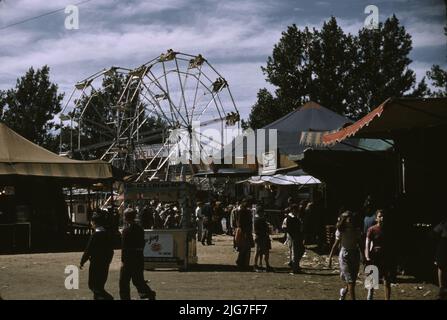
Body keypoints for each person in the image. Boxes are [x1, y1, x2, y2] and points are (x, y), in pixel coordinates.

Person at [119, 208, 156, 300]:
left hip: (129, 258)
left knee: (123, 282)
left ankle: (125, 298)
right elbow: (142, 243)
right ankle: (149, 293)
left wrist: (123, 260)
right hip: (138, 257)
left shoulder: (126, 231)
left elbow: (124, 247)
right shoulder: (139, 229)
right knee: (138, 280)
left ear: (125, 217)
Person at [80, 212, 114, 300]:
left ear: (94, 223)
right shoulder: (107, 234)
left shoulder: (95, 235)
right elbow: (111, 250)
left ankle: (108, 298)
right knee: (100, 284)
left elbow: (88, 250)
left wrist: (82, 261)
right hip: (105, 263)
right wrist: (108, 261)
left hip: (95, 263)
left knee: (93, 285)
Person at [328, 211, 361, 300]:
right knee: (350, 281)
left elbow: (360, 243)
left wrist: (364, 256)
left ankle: (343, 292)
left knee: (352, 281)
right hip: (345, 255)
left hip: (354, 254)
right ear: (344, 219)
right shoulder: (341, 230)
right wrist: (330, 257)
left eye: (350, 217)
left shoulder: (356, 230)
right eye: (347, 218)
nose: (349, 219)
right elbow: (336, 244)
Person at [365, 209, 395, 300]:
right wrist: (367, 255)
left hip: (386, 256)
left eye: (383, 216)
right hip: (375, 256)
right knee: (373, 278)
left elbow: (391, 244)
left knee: (387, 279)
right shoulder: (372, 229)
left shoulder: (388, 229)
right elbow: (368, 243)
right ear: (376, 218)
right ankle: (370, 295)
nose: (382, 218)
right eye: (380, 216)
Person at [284, 204, 305, 274]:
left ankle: (295, 264)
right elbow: (289, 229)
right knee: (296, 252)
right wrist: (294, 236)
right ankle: (295, 267)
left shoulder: (295, 217)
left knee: (300, 250)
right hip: (294, 236)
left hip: (297, 236)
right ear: (293, 210)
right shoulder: (290, 218)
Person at [235, 199, 254, 270]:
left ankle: (242, 262)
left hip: (244, 231)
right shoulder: (244, 212)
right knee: (245, 248)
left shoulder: (242, 212)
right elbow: (241, 223)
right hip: (245, 231)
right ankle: (244, 263)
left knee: (243, 248)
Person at [253, 206, 273, 272]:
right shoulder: (259, 219)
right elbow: (261, 229)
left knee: (259, 251)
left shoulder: (257, 218)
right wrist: (267, 227)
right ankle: (259, 265)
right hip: (261, 236)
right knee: (261, 251)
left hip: (260, 236)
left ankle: (258, 264)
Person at [433, 217, 447, 300]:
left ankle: (442, 288)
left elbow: (434, 232)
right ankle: (442, 288)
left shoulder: (444, 223)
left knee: (441, 266)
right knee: (441, 265)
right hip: (443, 242)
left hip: (444, 242)